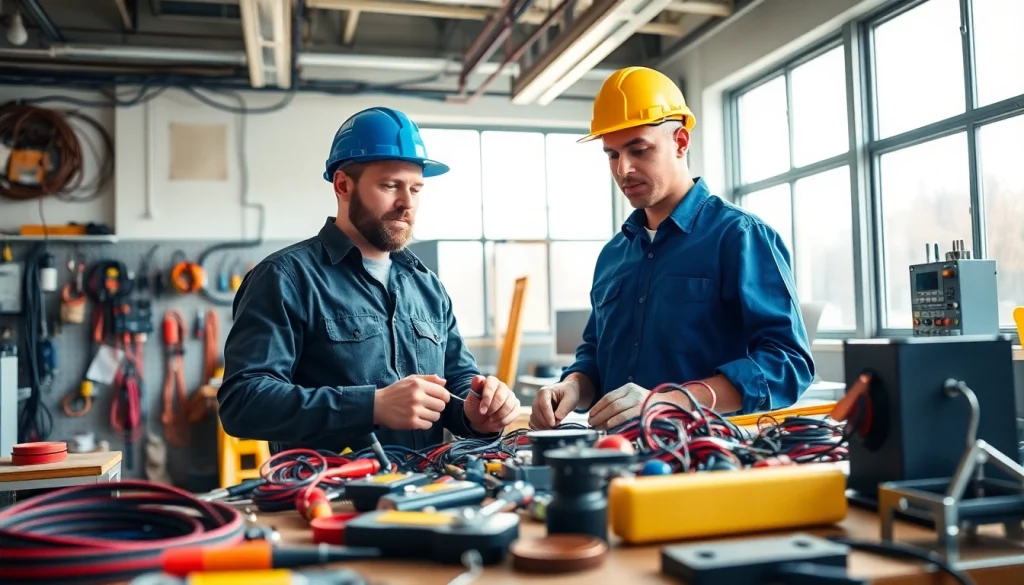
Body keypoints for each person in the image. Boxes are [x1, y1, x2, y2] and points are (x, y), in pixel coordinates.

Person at [219, 106, 520, 455]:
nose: (407, 203)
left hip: (423, 496)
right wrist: (370, 406)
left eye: (416, 188)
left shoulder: (427, 286)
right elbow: (242, 403)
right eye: (390, 185)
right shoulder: (286, 278)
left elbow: (459, 381)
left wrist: (477, 412)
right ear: (343, 185)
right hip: (332, 496)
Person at [531, 67, 814, 432]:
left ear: (681, 142)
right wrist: (570, 387)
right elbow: (595, 357)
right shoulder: (615, 254)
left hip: (707, 457)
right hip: (616, 455)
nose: (624, 169)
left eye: (638, 149)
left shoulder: (740, 237)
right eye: (612, 155)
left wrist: (666, 401)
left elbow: (788, 363)